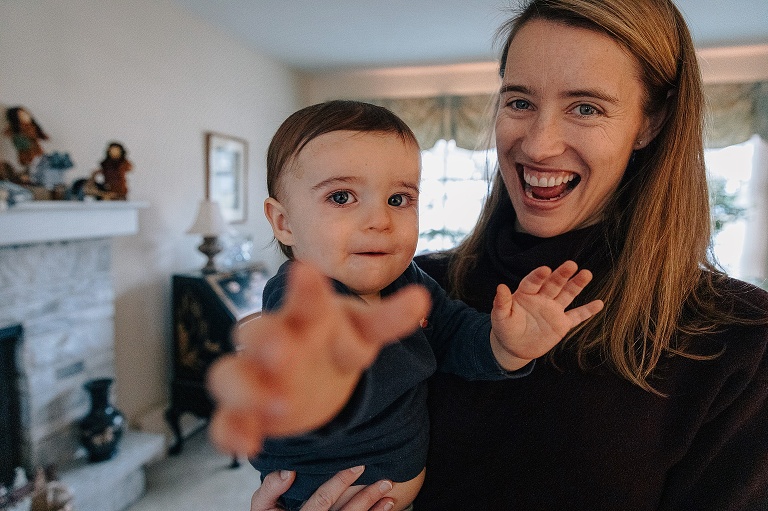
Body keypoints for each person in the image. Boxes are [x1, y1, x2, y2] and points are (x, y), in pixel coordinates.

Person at [213, 0, 768, 509]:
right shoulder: (413, 284)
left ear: (650, 121)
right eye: (520, 100)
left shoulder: (740, 339)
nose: (538, 143)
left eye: (587, 108)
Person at [209, 100, 603, 511]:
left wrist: (504, 345)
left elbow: (451, 332)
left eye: (399, 199)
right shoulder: (300, 293)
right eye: (342, 197)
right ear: (283, 222)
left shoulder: (408, 281)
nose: (379, 220)